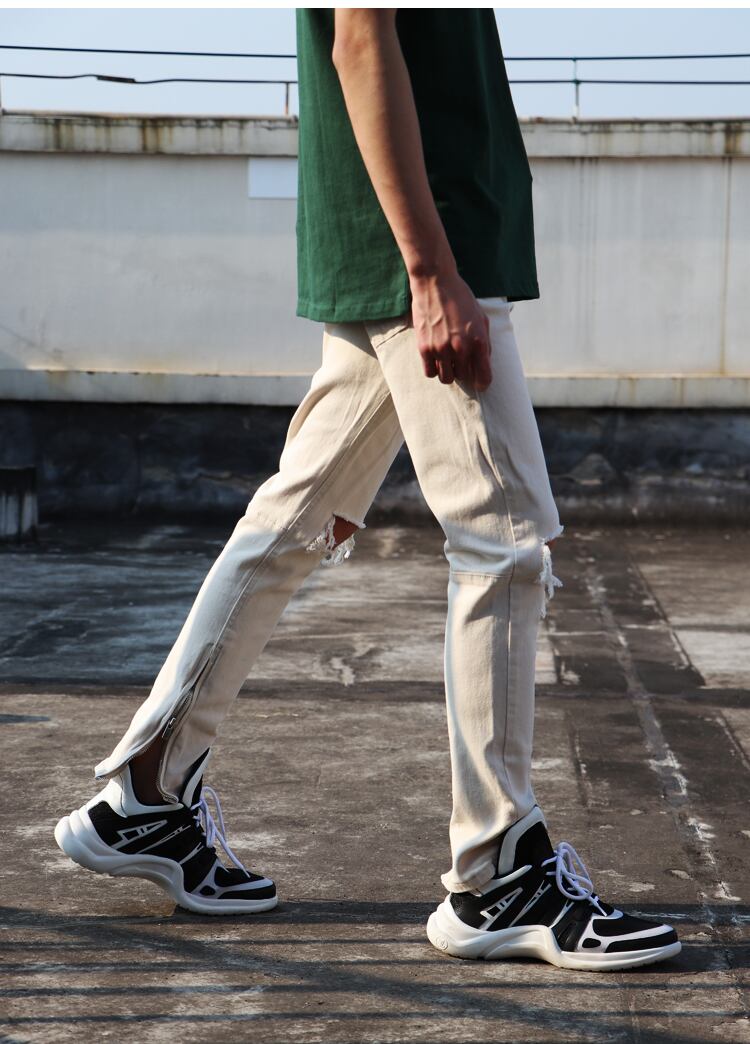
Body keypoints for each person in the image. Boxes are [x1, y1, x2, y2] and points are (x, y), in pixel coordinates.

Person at [55, 9, 680, 970]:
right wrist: (430, 271)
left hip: (403, 241)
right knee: (503, 541)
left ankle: (147, 792)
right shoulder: (428, 261)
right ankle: (498, 873)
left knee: (293, 524)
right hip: (426, 248)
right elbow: (360, 37)